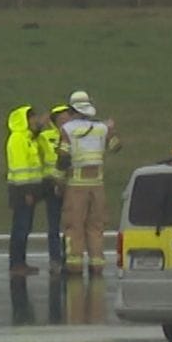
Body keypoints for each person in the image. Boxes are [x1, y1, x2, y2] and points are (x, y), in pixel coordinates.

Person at [60, 90, 119, 276]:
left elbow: (62, 159)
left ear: (72, 109)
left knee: (74, 226)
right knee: (96, 226)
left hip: (76, 185)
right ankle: (96, 265)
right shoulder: (102, 128)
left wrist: (58, 181)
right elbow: (116, 147)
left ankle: (74, 267)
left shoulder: (67, 130)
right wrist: (110, 130)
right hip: (97, 185)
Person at [4, 105, 46, 276]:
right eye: (33, 117)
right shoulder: (18, 139)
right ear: (25, 120)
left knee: (25, 226)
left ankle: (20, 262)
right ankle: (17, 263)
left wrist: (41, 125)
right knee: (20, 227)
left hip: (27, 191)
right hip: (21, 191)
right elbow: (20, 167)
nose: (35, 120)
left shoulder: (27, 138)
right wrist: (27, 192)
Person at [38, 105, 72, 273]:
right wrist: (38, 126)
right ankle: (55, 260)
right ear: (55, 120)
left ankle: (69, 257)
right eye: (62, 118)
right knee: (53, 224)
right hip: (51, 185)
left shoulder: (74, 136)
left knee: (69, 224)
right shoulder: (45, 136)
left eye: (68, 117)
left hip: (70, 185)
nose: (65, 121)